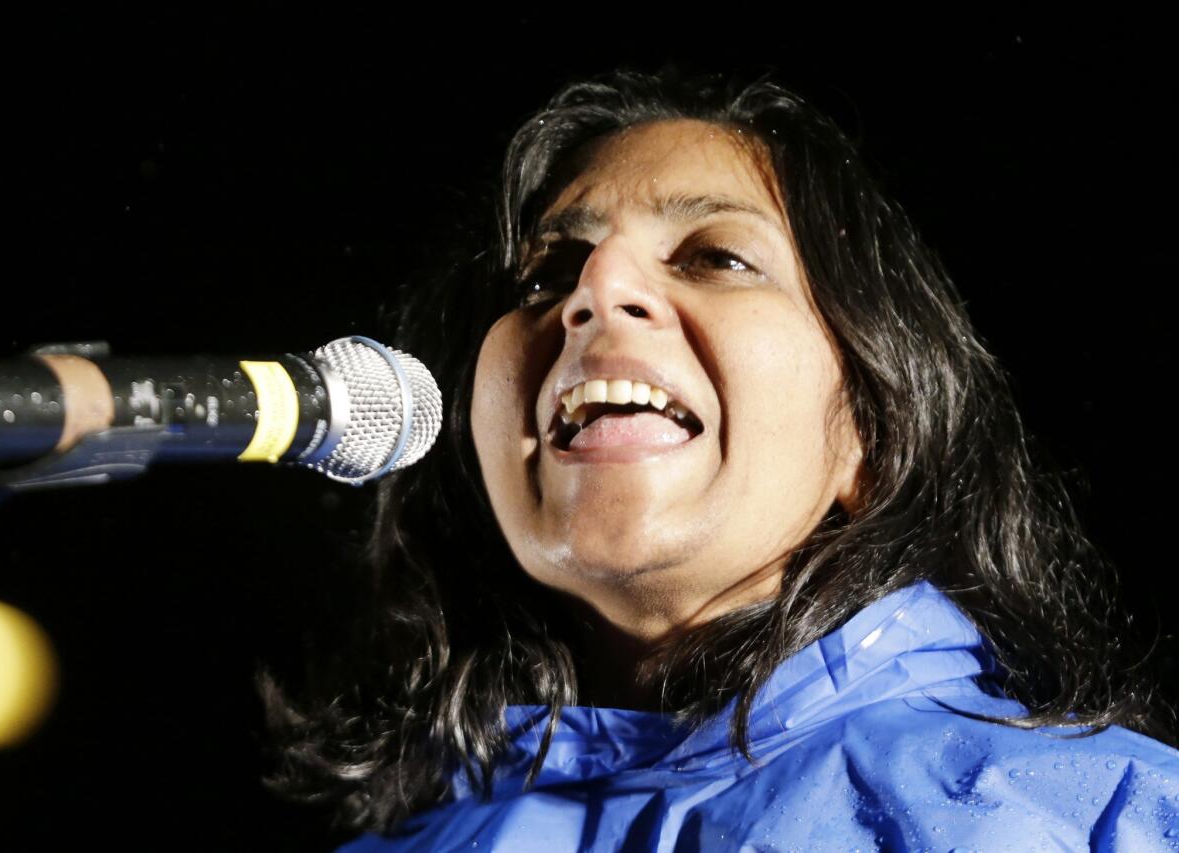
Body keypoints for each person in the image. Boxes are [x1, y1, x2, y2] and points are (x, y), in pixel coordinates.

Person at [262, 68, 1179, 851]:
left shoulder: (1095, 817)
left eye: (716, 256)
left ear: (875, 427)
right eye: (548, 273)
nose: (596, 288)